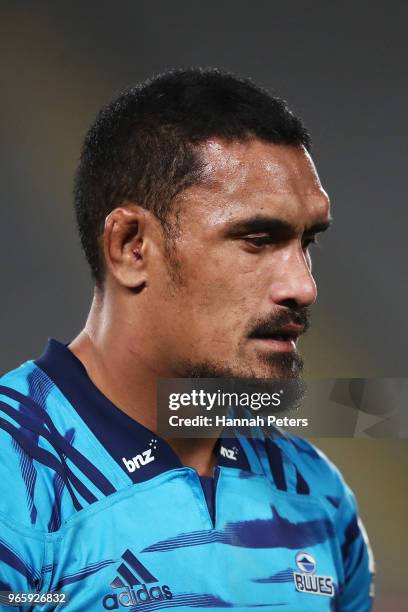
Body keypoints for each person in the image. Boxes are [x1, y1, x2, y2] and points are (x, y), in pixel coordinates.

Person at [0, 69, 374, 610]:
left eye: (306, 242)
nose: (303, 287)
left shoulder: (316, 493)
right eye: (257, 240)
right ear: (131, 246)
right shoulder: (15, 479)